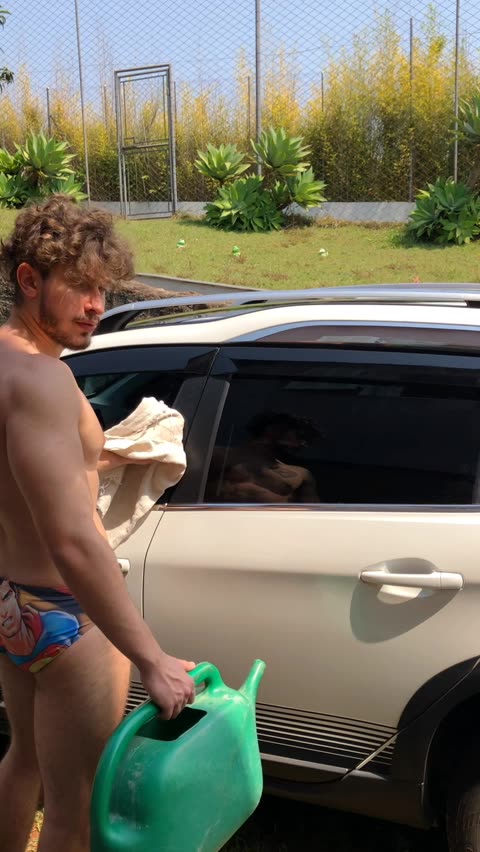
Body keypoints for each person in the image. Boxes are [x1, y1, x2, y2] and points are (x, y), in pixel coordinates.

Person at [0, 195, 195, 852]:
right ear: (30, 279)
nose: (96, 306)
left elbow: (27, 469)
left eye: (103, 290)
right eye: (80, 287)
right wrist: (152, 658)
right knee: (75, 811)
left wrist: (101, 453)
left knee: (22, 762)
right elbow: (73, 540)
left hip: (12, 602)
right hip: (68, 617)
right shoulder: (44, 380)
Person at [208, 411, 321, 504]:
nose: (303, 444)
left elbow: (313, 514)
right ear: (272, 430)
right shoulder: (217, 455)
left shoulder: (302, 474)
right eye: (299, 436)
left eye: (307, 441)